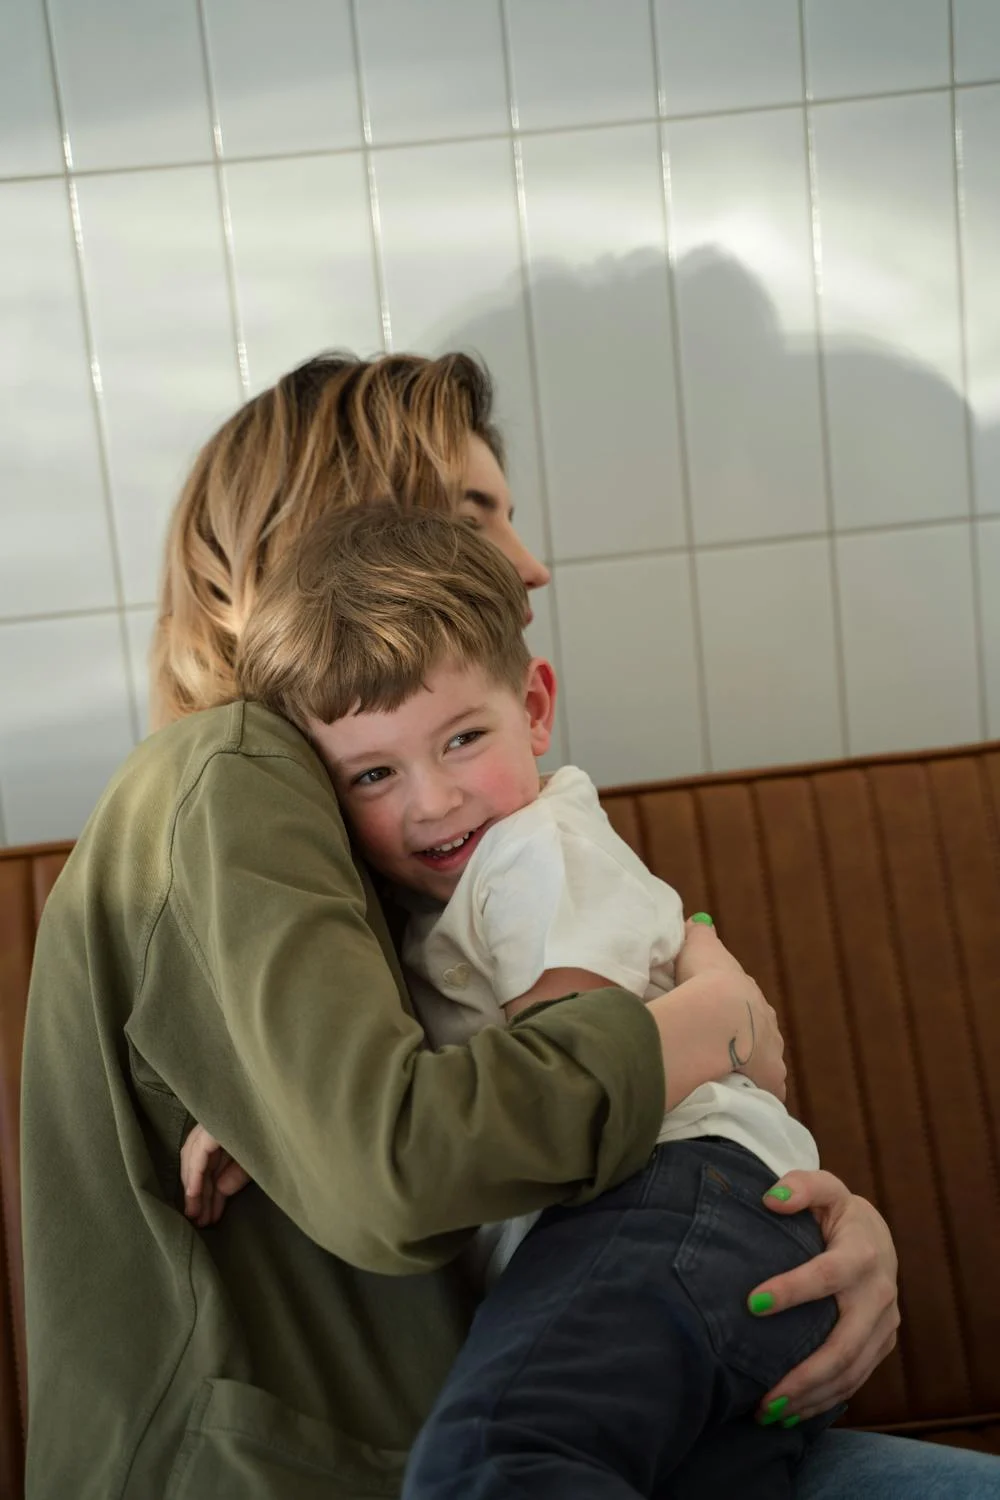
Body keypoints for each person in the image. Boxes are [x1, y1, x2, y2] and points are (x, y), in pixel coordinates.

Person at [20, 350, 996, 1498]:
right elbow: (405, 1160)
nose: (529, 568)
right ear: (355, 540)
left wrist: (836, 1227)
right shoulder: (229, 771)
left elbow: (615, 1122)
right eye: (478, 512)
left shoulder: (436, 847)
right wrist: (712, 1024)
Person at [181, 501, 841, 1497]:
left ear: (533, 707)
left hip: (663, 1202)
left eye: (460, 740)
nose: (432, 799)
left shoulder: (537, 852)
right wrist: (278, 1115)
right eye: (373, 773)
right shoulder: (424, 908)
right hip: (696, 1237)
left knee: (484, 1465)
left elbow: (562, 1083)